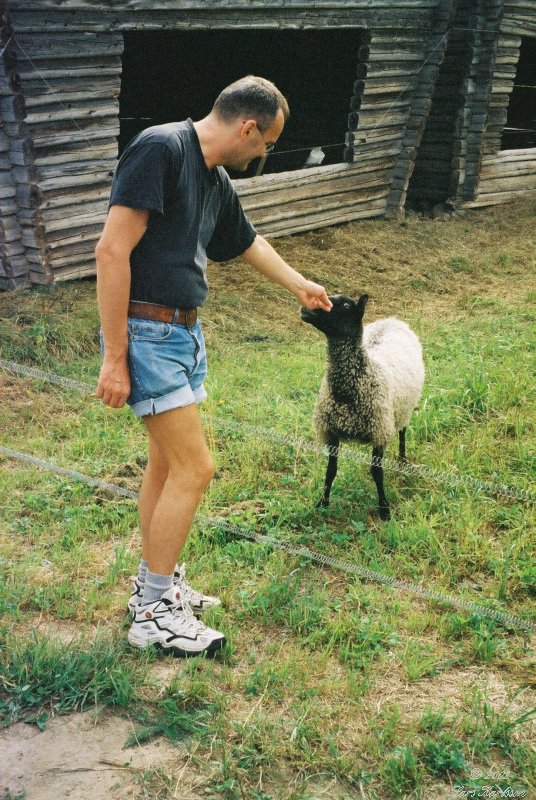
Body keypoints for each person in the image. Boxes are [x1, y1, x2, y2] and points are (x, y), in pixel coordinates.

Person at [95, 75, 332, 657]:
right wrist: (115, 356)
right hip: (147, 330)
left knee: (166, 465)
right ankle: (154, 610)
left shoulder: (214, 178)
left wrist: (299, 285)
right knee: (196, 467)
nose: (263, 154)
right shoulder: (162, 149)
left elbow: (246, 242)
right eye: (267, 143)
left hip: (182, 333)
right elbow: (111, 250)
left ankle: (155, 582)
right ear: (249, 127)